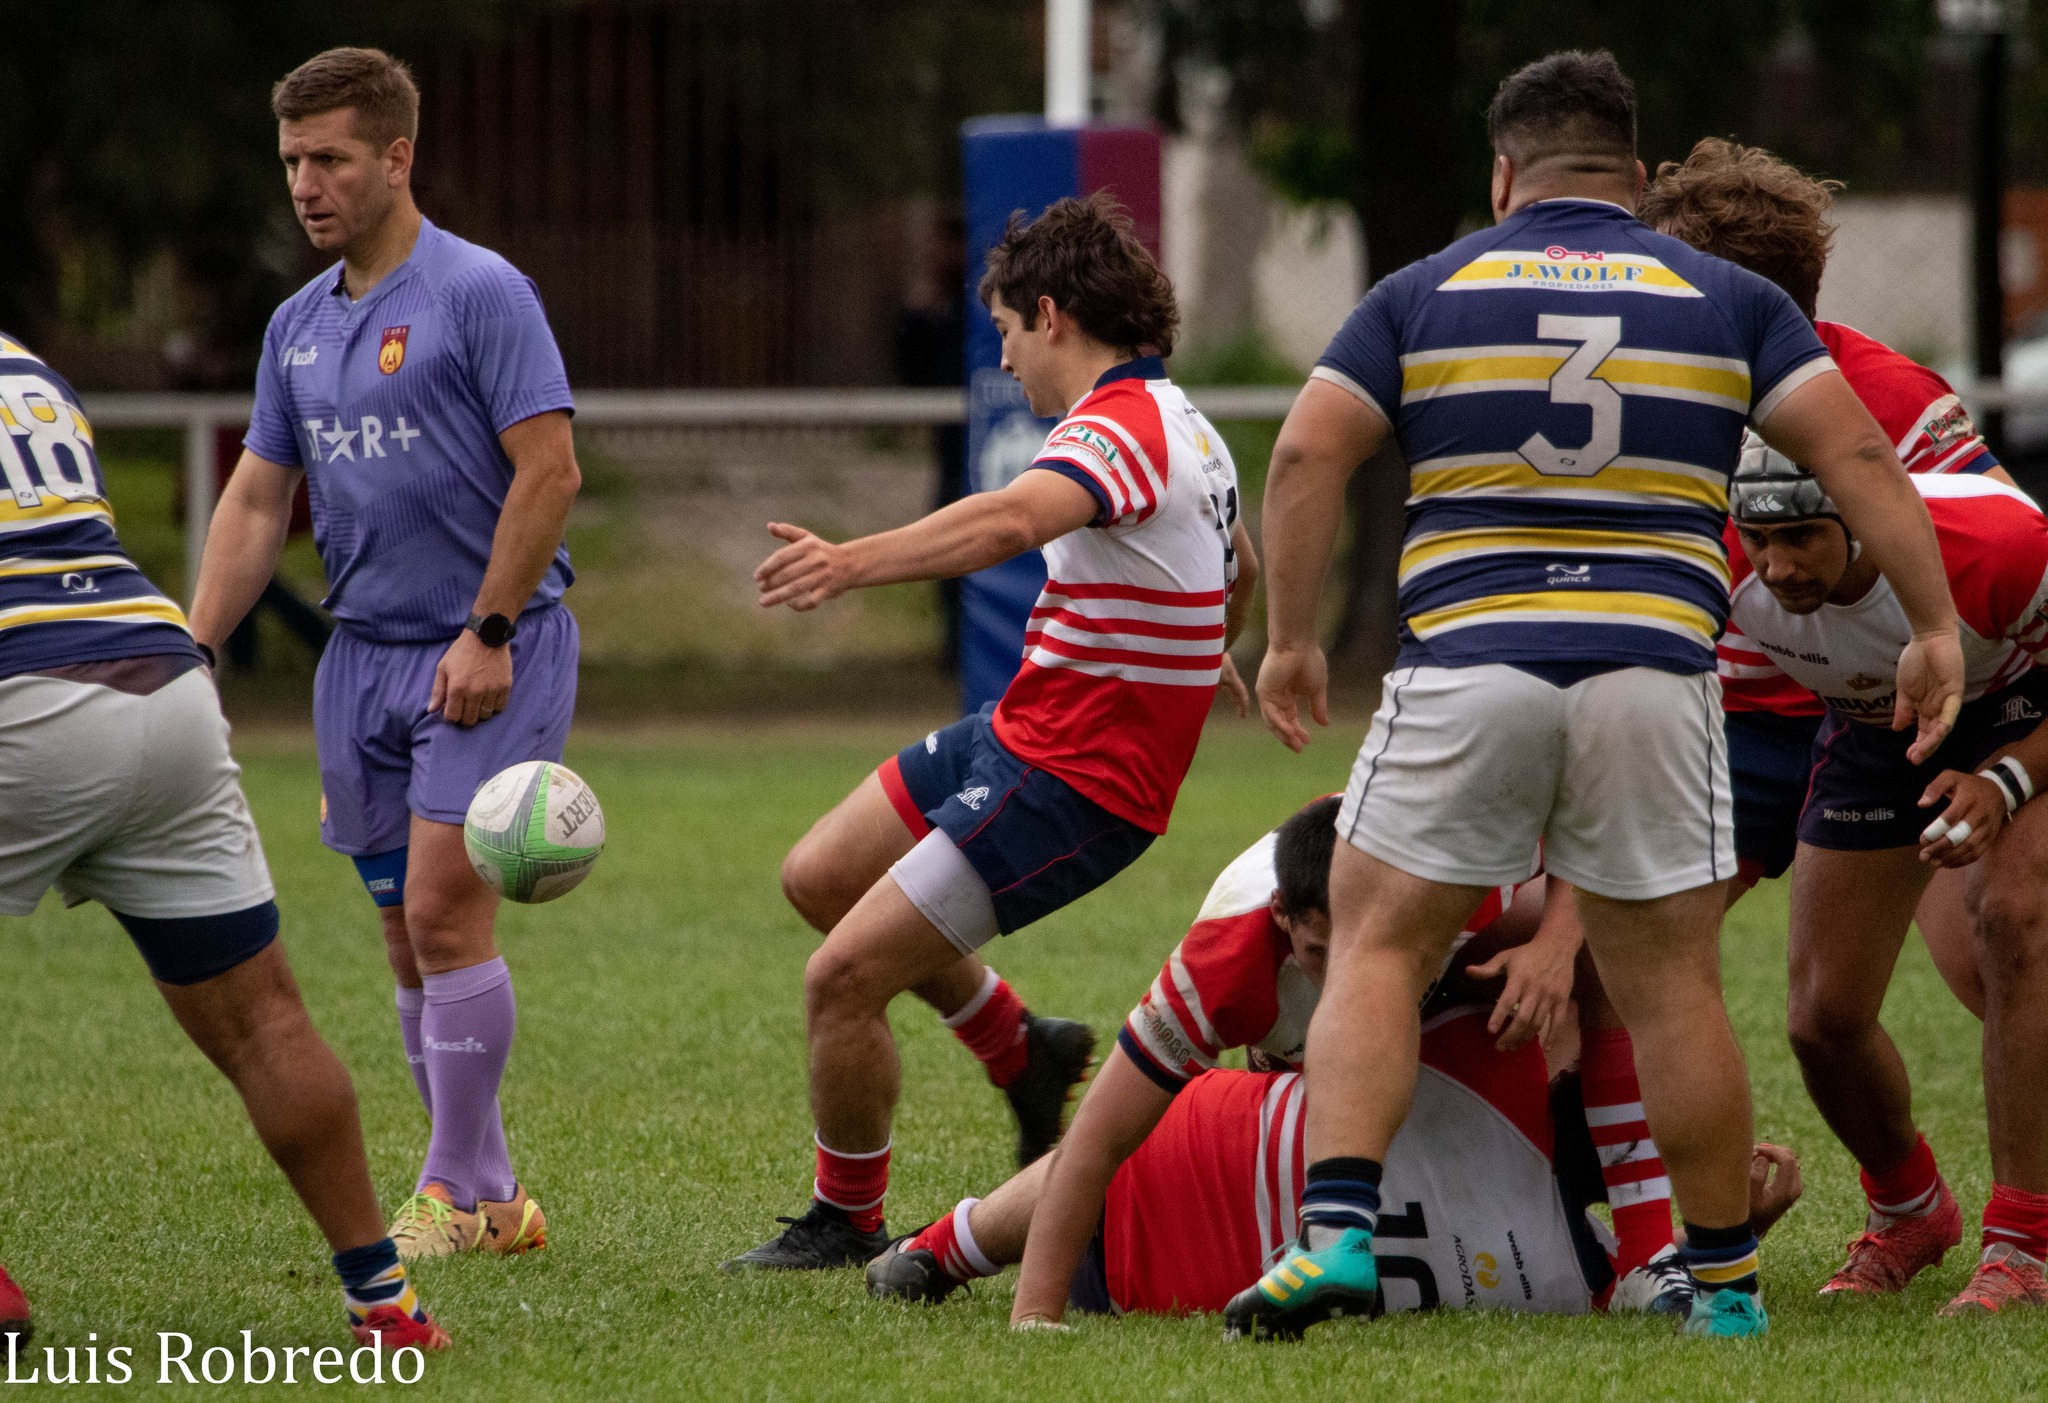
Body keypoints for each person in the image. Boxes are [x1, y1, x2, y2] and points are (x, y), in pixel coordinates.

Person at [1240, 49, 1963, 1342]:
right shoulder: (1726, 293)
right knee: (1672, 979)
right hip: (1653, 670)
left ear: (1503, 174)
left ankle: (1339, 1234)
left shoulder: (1427, 289)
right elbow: (1853, 448)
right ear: (1633, 179)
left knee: (1382, 939)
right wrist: (1932, 621)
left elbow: (1305, 450)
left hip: (1473, 657)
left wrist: (1293, 638)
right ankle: (1726, 1287)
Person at [729, 193, 1259, 1269]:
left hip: (1074, 777)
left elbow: (1016, 518)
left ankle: (845, 1217)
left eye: (1008, 331)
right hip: (1022, 727)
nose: (1006, 358)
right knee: (817, 873)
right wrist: (1216, 649)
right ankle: (1019, 1045)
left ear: (1051, 314)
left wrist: (847, 560)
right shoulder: (1183, 419)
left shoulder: (1117, 425)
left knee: (839, 977)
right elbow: (1238, 561)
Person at [189, 48, 583, 1261]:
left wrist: (488, 627)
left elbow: (551, 470)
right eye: (294, 162)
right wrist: (189, 648)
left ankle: (450, 1194)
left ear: (396, 157)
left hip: (482, 651)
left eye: (332, 160)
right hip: (356, 664)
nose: (307, 185)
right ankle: (498, 1195)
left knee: (443, 914)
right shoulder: (297, 326)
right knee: (403, 932)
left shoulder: (481, 293)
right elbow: (258, 502)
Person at [0, 333, 445, 1350]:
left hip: (21, 689)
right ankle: (384, 1300)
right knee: (265, 1023)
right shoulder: (29, 368)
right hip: (162, 683)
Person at [896, 796, 1688, 1324]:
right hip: (1264, 1085)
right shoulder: (1219, 969)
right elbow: (1101, 1137)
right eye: (1318, 950)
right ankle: (944, 1247)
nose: (1347, 981)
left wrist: (1552, 946)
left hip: (1397, 1019)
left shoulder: (1452, 887)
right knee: (1165, 1133)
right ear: (1282, 918)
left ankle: (1656, 1249)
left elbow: (1595, 845)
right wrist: (1032, 1318)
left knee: (1602, 947)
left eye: (1364, 951)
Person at [1638, 137, 2010, 1019]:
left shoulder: (1889, 394)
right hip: (1743, 727)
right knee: (1621, 950)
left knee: (1999, 949)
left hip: (1897, 719)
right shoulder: (1650, 401)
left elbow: (1999, 539)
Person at [868, 1007, 1807, 1325]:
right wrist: (1725, 1230)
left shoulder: (1491, 1059)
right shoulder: (1581, 1269)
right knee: (1122, 1154)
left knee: (1113, 1149)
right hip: (1164, 1280)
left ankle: (944, 1249)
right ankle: (944, 1251)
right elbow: (1647, 1279)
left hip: (1168, 1177)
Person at [1727, 447, 2048, 1314]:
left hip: (2022, 708)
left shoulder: (1998, 545)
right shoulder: (1718, 563)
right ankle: (1912, 1210)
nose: (1778, 564)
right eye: (1759, 537)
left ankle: (2024, 1245)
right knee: (1823, 1017)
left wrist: (2008, 779)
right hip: (1875, 725)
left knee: (2013, 917)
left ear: (1863, 519)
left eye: (1801, 535)